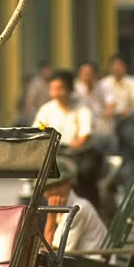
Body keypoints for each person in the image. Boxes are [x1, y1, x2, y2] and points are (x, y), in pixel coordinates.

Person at [33, 68, 104, 208]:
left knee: (85, 174)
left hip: (80, 154)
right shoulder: (46, 110)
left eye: (60, 88)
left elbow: (84, 136)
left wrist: (65, 147)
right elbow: (38, 131)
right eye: (52, 89)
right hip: (55, 154)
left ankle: (91, 208)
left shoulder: (81, 108)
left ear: (70, 89)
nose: (56, 93)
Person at [42, 157, 106, 260]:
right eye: (48, 187)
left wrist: (51, 215)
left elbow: (52, 254)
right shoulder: (57, 208)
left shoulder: (78, 209)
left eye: (58, 185)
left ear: (68, 183)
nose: (54, 191)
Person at [98, 54, 134, 180]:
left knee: (129, 138)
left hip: (127, 119)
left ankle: (130, 167)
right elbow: (105, 103)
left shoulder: (133, 82)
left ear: (125, 67)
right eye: (114, 65)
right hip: (108, 121)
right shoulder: (104, 84)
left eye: (120, 65)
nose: (117, 68)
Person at [74, 60, 113, 142]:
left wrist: (107, 114)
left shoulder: (103, 87)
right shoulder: (75, 89)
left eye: (89, 73)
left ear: (95, 74)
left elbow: (110, 104)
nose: (86, 75)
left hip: (100, 123)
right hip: (80, 123)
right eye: (83, 72)